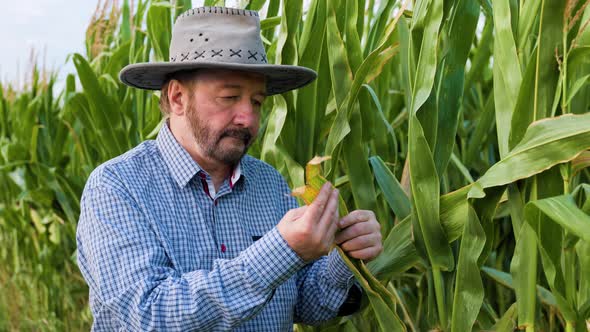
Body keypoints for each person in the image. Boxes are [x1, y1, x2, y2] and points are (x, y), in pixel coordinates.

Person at [76, 6, 383, 331]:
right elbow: (153, 316)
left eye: (256, 102)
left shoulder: (270, 184)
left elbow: (305, 304)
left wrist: (343, 258)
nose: (248, 119)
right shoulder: (117, 187)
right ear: (177, 97)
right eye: (229, 97)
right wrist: (282, 249)